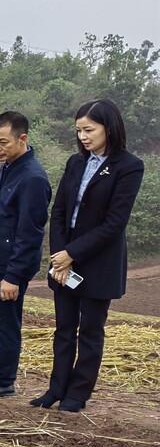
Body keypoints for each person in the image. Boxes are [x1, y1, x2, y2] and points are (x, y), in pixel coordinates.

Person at [31, 99, 144, 413]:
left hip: (98, 262)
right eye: (79, 130)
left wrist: (72, 253)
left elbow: (114, 223)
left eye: (89, 129)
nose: (82, 136)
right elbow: (60, 212)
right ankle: (56, 389)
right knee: (63, 329)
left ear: (109, 128)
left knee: (90, 331)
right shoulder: (75, 163)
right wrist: (59, 255)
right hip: (64, 262)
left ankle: (78, 394)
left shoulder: (129, 166)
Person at [0, 112, 51, 398]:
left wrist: (13, 276)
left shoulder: (33, 178)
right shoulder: (8, 166)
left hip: (10, 271)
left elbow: (30, 233)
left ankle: (4, 381)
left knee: (7, 322)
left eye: (3, 141)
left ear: (22, 138)